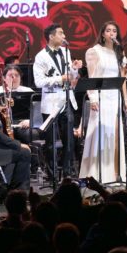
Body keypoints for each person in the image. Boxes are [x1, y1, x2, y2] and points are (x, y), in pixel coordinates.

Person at [81, 20, 127, 184]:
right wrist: (93, 98)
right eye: (108, 30)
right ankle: (98, 174)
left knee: (115, 134)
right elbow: (92, 76)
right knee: (101, 133)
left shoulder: (118, 52)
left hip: (114, 97)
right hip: (101, 97)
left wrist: (125, 99)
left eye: (114, 31)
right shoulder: (94, 51)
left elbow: (122, 78)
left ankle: (115, 174)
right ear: (102, 34)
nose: (111, 33)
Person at [34, 23, 80, 177]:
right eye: (61, 33)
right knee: (51, 141)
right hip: (51, 103)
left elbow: (71, 76)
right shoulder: (41, 56)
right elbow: (38, 82)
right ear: (51, 36)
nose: (64, 36)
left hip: (67, 99)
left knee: (69, 139)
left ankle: (68, 173)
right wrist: (60, 78)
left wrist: (74, 69)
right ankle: (52, 174)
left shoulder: (66, 52)